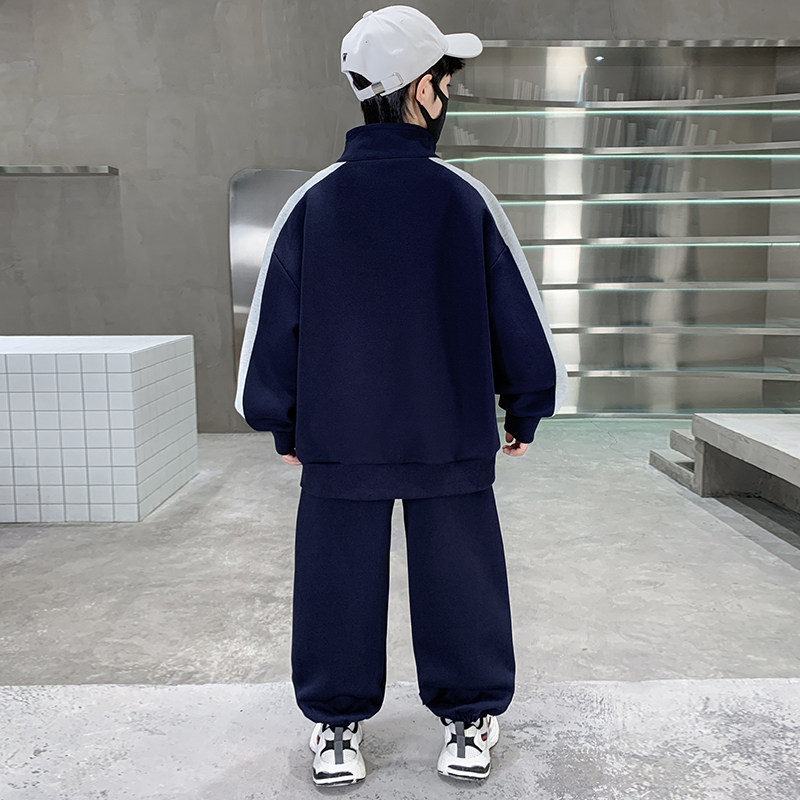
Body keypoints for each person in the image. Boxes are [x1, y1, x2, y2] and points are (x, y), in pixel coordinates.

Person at [234, 4, 568, 787]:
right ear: (421, 89)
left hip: (340, 436)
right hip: (446, 429)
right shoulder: (463, 198)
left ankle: (336, 725)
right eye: (446, 79)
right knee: (461, 575)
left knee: (336, 575)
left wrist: (281, 421)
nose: (449, 94)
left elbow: (273, 320)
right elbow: (516, 311)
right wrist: (525, 404)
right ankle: (470, 718)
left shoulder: (313, 201)